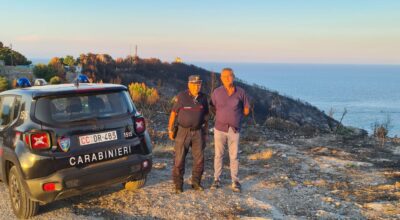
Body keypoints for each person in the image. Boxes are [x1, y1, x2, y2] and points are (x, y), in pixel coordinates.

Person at [210, 68, 250, 192]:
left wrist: (236, 117)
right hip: (219, 128)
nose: (227, 78)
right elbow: (212, 107)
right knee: (218, 155)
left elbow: (246, 109)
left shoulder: (241, 92)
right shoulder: (216, 92)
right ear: (221, 78)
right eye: (224, 76)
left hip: (234, 129)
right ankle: (217, 179)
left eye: (229, 76)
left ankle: (235, 181)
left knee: (234, 156)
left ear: (233, 77)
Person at [168, 75, 209, 194]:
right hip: (182, 131)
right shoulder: (182, 96)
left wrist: (205, 133)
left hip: (198, 132)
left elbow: (206, 117)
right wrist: (170, 129)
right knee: (179, 159)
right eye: (194, 84)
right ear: (189, 84)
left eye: (199, 84)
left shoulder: (203, 98)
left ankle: (196, 182)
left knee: (199, 159)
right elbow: (173, 113)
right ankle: (178, 185)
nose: (197, 86)